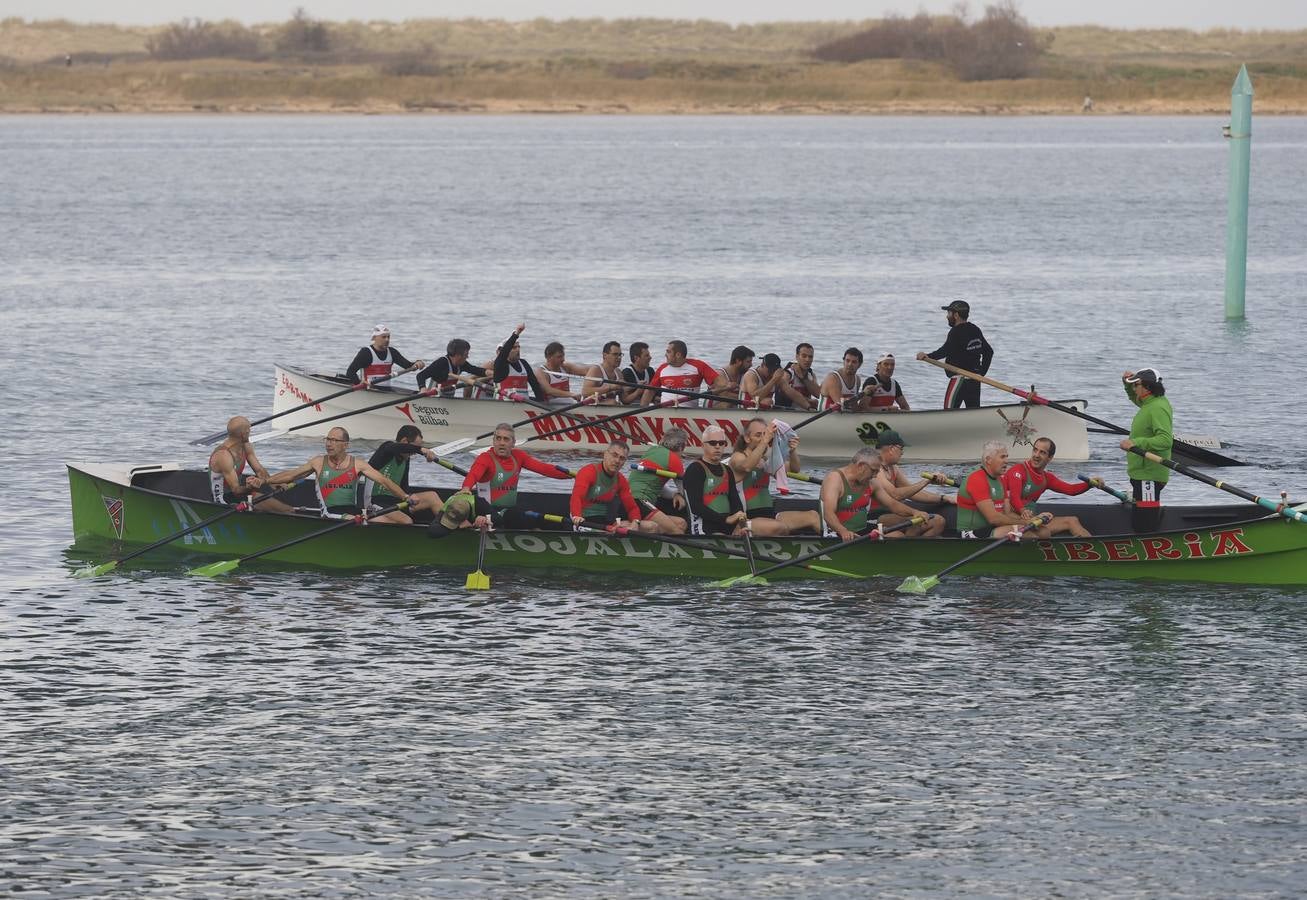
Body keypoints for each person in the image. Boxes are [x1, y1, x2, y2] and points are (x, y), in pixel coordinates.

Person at [267, 427, 412, 523]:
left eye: (334, 440)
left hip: (352, 513)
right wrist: (264, 481)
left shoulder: (358, 464)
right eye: (328, 440)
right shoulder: (318, 462)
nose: (329, 444)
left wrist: (405, 497)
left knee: (398, 522)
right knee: (360, 520)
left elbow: (384, 481)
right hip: (330, 514)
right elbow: (291, 475)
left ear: (346, 445)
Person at [460, 422, 574, 527]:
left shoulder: (519, 456)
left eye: (506, 439)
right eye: (498, 439)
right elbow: (473, 475)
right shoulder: (485, 458)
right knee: (520, 517)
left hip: (508, 511)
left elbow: (545, 469)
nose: (501, 443)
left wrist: (575, 475)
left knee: (535, 519)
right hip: (488, 511)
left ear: (513, 443)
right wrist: (466, 488)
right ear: (493, 441)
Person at [729, 418, 820, 536]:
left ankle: (833, 547)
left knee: (812, 516)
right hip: (744, 519)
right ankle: (737, 531)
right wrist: (765, 440)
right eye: (758, 435)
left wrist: (792, 451)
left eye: (765, 434)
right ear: (747, 438)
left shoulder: (764, 461)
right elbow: (747, 467)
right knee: (780, 527)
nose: (763, 438)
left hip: (769, 516)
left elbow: (794, 469)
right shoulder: (737, 457)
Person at [954, 440, 1051, 539]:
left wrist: (1034, 519)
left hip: (991, 528)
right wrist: (1025, 522)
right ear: (989, 460)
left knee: (1044, 532)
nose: (1006, 461)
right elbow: (994, 519)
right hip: (970, 533)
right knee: (1030, 535)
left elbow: (1007, 513)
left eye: (1006, 456)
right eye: (1002, 457)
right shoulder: (977, 479)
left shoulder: (1000, 479)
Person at [1002, 437, 1092, 538]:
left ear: (1050, 457)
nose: (1036, 455)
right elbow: (1014, 498)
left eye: (1042, 452)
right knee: (1041, 532)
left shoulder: (1047, 478)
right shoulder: (1018, 470)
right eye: (1035, 450)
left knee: (1072, 521)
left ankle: (1096, 548)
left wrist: (1091, 484)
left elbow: (1071, 490)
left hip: (1031, 521)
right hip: (1010, 519)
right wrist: (1024, 511)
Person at [819, 448, 913, 542]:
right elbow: (828, 513)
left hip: (861, 531)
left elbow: (892, 504)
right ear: (861, 466)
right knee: (895, 535)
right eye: (873, 471)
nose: (875, 476)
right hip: (836, 533)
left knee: (898, 534)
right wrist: (843, 531)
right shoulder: (834, 479)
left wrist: (915, 512)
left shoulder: (871, 482)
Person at [1120, 366, 1173, 532]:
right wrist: (1127, 385)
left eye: (1136, 385)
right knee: (1140, 519)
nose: (1134, 388)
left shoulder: (1158, 408)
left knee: (1145, 524)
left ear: (1147, 388)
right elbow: (1136, 399)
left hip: (1149, 478)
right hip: (1141, 474)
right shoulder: (1149, 403)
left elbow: (1166, 440)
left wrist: (1136, 443)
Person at [207, 416, 293, 514]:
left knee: (286, 510)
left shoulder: (246, 446)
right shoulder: (223, 456)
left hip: (239, 495)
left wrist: (274, 483)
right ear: (243, 434)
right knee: (287, 511)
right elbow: (236, 490)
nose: (250, 432)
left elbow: (259, 470)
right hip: (224, 500)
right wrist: (250, 487)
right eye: (249, 430)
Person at [870, 430, 949, 537]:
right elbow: (895, 494)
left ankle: (915, 549)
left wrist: (944, 498)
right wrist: (926, 481)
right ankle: (908, 546)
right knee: (916, 524)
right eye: (901, 449)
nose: (902, 453)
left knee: (938, 522)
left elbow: (912, 493)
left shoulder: (893, 468)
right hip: (877, 516)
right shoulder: (875, 469)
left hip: (895, 512)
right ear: (892, 449)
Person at [917, 299, 993, 409]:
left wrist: (927, 356)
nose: (947, 316)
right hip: (975, 380)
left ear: (956, 315)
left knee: (948, 412)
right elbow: (989, 352)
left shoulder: (955, 332)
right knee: (974, 413)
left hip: (959, 379)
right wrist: (981, 373)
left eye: (949, 313)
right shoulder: (975, 329)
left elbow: (944, 351)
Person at [363, 425, 447, 525]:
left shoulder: (406, 459)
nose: (414, 453)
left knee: (432, 496)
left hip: (397, 501)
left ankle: (448, 526)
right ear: (404, 441)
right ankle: (370, 520)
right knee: (406, 521)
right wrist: (421, 450)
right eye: (414, 447)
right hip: (375, 502)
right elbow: (394, 447)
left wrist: (410, 498)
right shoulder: (386, 449)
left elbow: (404, 487)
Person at [682, 425, 747, 536]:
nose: (717, 446)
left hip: (726, 524)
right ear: (702, 445)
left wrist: (740, 523)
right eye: (712, 443)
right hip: (703, 527)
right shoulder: (695, 469)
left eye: (721, 443)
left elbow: (735, 500)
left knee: (754, 530)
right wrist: (725, 519)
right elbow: (696, 507)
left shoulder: (727, 470)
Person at [570, 442, 647, 529]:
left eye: (622, 458)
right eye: (614, 455)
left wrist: (635, 522)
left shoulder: (621, 480)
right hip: (583, 521)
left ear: (625, 461)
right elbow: (576, 497)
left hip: (606, 523)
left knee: (652, 526)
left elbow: (632, 508)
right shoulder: (588, 472)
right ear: (605, 454)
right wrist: (577, 516)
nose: (617, 461)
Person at [629, 428, 690, 535]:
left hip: (629, 500)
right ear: (682, 447)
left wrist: (675, 494)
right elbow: (686, 492)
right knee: (677, 531)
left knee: (681, 524)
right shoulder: (674, 459)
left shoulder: (652, 451)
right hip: (640, 500)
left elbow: (659, 488)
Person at [641, 340, 719, 408]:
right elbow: (649, 392)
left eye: (668, 352)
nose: (665, 355)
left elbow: (721, 383)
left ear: (678, 355)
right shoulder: (662, 368)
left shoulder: (699, 366)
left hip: (690, 412)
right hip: (665, 411)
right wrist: (642, 411)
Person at [346, 324, 423, 387]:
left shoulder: (392, 352)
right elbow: (350, 372)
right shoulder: (366, 352)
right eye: (383, 337)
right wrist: (359, 383)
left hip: (385, 390)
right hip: (368, 389)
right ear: (374, 338)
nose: (387, 340)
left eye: (388, 337)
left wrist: (417, 363)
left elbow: (408, 366)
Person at [491, 324, 547, 401]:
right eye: (514, 348)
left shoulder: (524, 363)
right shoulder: (500, 364)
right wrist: (517, 333)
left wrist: (541, 402)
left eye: (519, 347)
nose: (518, 350)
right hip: (503, 404)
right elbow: (504, 351)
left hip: (523, 404)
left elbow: (535, 385)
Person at [417, 338, 488, 397]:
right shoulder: (441, 363)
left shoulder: (462, 364)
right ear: (458, 355)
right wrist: (423, 389)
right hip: (433, 399)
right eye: (466, 354)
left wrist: (492, 373)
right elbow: (420, 376)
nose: (467, 357)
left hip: (448, 401)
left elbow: (476, 370)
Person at [535, 341, 587, 406]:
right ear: (549, 357)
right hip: (551, 407)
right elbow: (549, 390)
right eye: (559, 357)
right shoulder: (541, 372)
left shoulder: (565, 367)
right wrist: (572, 394)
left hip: (568, 404)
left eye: (563, 356)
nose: (563, 359)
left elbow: (585, 371)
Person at [775, 342, 820, 410]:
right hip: (788, 411)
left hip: (806, 412)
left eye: (810, 357)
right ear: (797, 357)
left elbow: (819, 394)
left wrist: (803, 378)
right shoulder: (788, 374)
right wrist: (807, 400)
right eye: (804, 356)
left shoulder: (811, 375)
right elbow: (783, 394)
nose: (807, 360)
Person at [581, 341, 626, 405]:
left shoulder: (618, 372)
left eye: (620, 355)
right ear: (605, 355)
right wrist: (610, 387)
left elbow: (624, 398)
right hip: (590, 405)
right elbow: (585, 391)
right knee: (613, 403)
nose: (619, 358)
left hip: (609, 405)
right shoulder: (596, 370)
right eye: (615, 354)